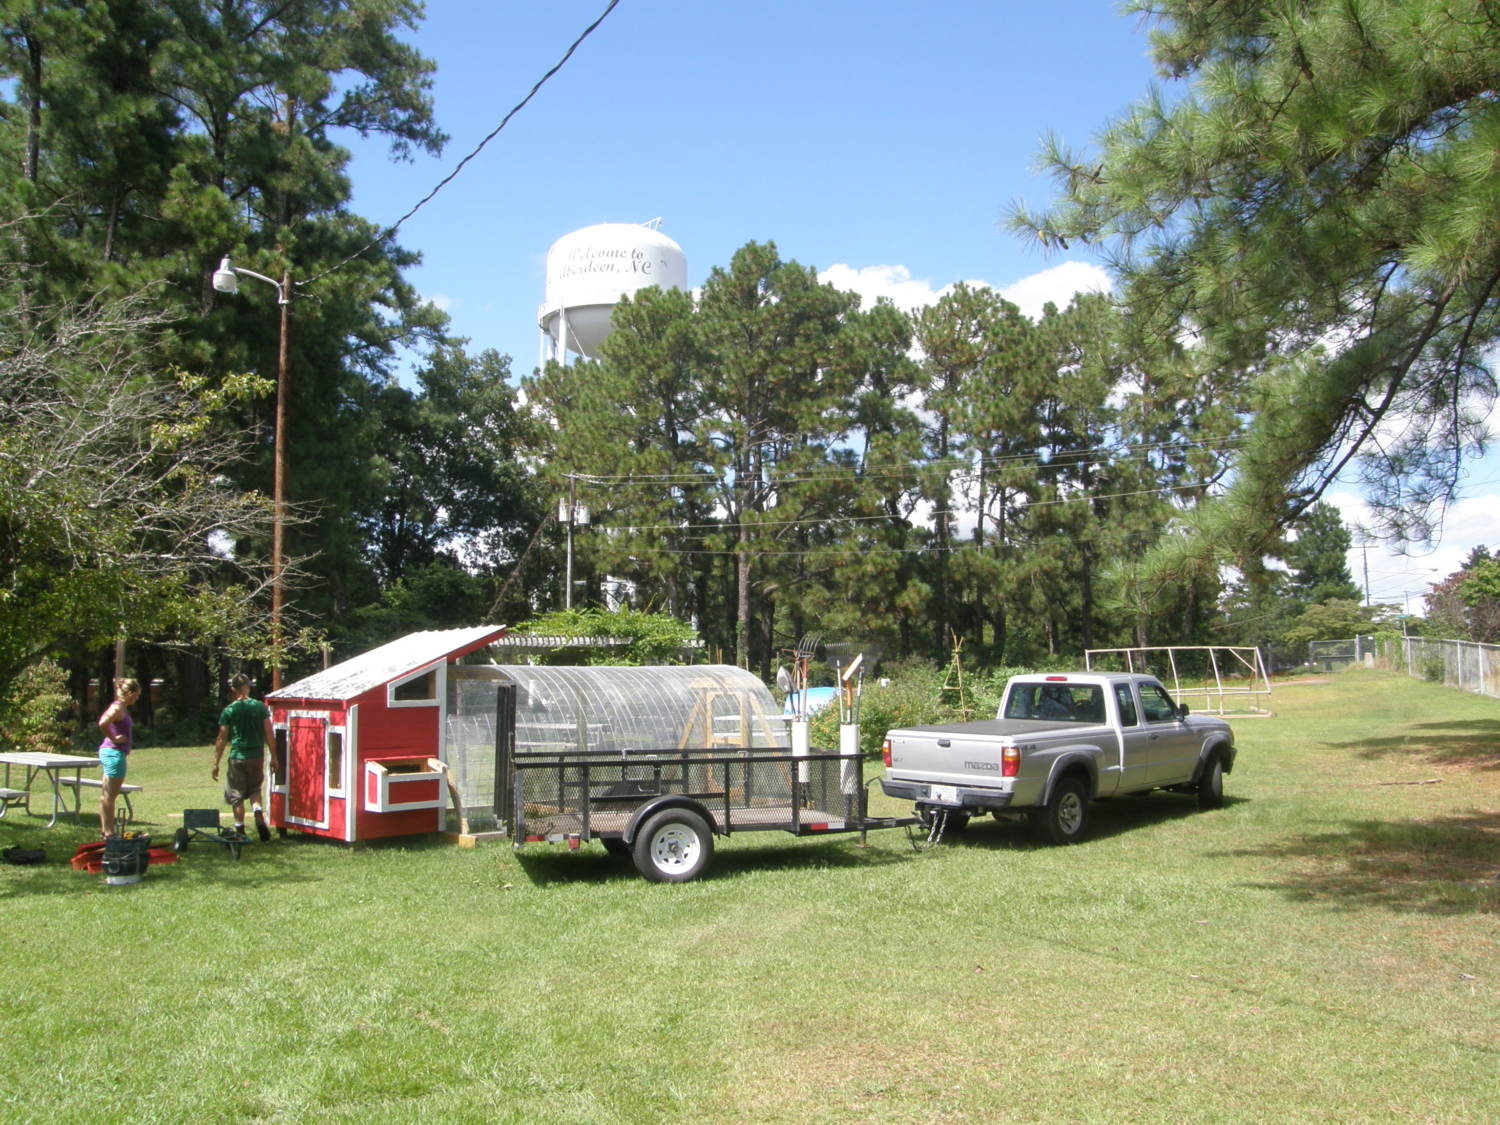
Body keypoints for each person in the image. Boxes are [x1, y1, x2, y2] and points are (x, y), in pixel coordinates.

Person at [213, 673, 274, 841]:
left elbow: (221, 738)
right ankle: (258, 814)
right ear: (248, 687)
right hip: (257, 756)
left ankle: (240, 830)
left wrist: (216, 763)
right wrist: (274, 757)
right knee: (255, 789)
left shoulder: (229, 710)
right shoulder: (260, 707)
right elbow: (269, 734)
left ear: (233, 689)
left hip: (237, 757)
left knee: (237, 795)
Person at [96, 678, 141, 838]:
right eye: (136, 695)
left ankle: (105, 831)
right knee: (110, 796)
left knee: (106, 795)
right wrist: (114, 738)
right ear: (129, 693)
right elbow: (103, 723)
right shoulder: (117, 707)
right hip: (114, 754)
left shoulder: (121, 707)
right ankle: (109, 833)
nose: (137, 698)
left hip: (112, 753)